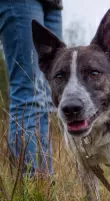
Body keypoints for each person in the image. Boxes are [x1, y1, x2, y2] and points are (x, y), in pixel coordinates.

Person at [0, 0, 63, 176]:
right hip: (21, 3)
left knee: (48, 99)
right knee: (28, 92)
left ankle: (45, 184)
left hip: (53, 5)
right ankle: (28, 183)